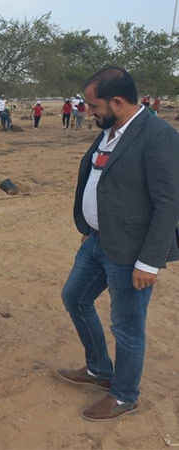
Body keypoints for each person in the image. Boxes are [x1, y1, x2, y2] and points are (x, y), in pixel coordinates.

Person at [57, 67, 179, 421]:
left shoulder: (157, 135)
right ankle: (99, 370)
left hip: (132, 251)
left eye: (93, 105)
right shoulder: (110, 130)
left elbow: (168, 202)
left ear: (117, 101)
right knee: (74, 298)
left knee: (127, 326)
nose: (88, 111)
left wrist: (150, 261)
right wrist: (89, 223)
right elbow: (102, 178)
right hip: (97, 241)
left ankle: (125, 395)